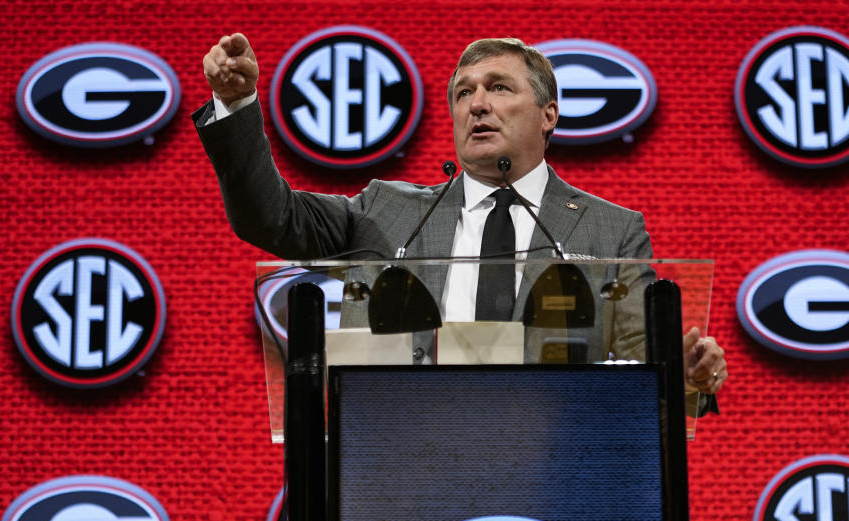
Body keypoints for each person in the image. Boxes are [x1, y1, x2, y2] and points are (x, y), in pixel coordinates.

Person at [194, 33, 728, 402]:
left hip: (554, 484)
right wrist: (236, 103)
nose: (477, 104)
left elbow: (649, 370)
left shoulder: (611, 230)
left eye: (499, 87)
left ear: (548, 115)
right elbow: (270, 217)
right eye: (463, 92)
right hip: (399, 475)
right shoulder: (386, 211)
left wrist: (685, 377)